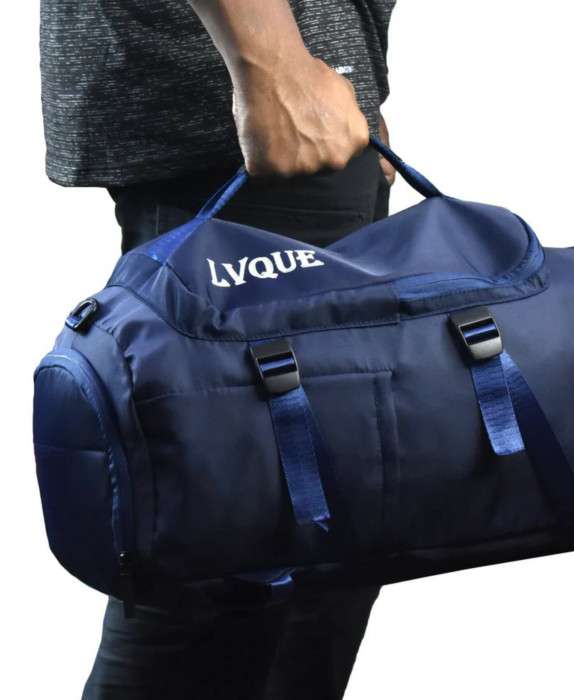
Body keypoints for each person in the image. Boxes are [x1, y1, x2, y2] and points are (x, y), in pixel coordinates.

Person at [40, 1, 397, 698]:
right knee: (237, 563)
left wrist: (344, 81)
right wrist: (275, 67)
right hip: (244, 115)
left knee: (323, 553)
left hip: (282, 100)